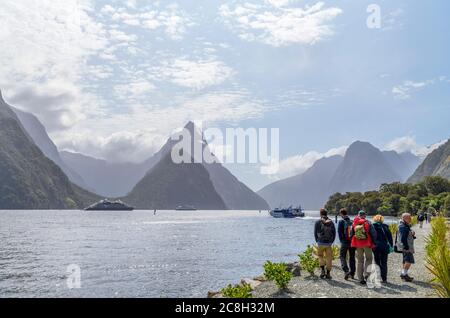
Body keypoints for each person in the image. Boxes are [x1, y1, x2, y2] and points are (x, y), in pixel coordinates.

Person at [351, 210, 377, 285]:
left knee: (360, 261)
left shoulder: (354, 222)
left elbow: (351, 233)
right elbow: (373, 233)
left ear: (358, 215)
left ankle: (360, 278)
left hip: (357, 244)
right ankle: (366, 275)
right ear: (365, 215)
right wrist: (374, 242)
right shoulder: (368, 222)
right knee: (369, 258)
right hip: (367, 243)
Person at [314, 208, 336, 279]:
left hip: (320, 242)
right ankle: (328, 274)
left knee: (320, 256)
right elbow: (334, 233)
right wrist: (331, 241)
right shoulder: (331, 222)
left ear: (320, 214)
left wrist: (317, 241)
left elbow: (315, 233)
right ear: (327, 214)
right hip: (328, 243)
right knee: (329, 258)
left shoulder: (317, 222)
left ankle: (322, 270)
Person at [372, 215, 393, 283]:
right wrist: (391, 246)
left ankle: (378, 277)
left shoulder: (373, 227)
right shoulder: (385, 227)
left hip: (376, 247)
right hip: (384, 246)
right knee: (384, 262)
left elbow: (371, 237)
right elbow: (390, 238)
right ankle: (384, 278)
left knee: (377, 262)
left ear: (374, 220)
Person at [396, 213, 416, 282]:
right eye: (409, 218)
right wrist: (406, 246)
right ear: (404, 218)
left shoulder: (404, 225)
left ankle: (405, 274)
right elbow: (403, 238)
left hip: (406, 245)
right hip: (406, 246)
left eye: (410, 218)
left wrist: (412, 233)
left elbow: (406, 234)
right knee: (409, 260)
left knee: (405, 260)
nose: (410, 219)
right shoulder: (403, 226)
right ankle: (403, 274)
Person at [337, 208, 356, 280]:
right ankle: (352, 273)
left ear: (341, 214)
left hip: (344, 242)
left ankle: (346, 270)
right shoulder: (352, 221)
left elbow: (339, 233)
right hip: (352, 242)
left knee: (342, 256)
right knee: (352, 258)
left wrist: (342, 241)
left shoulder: (341, 222)